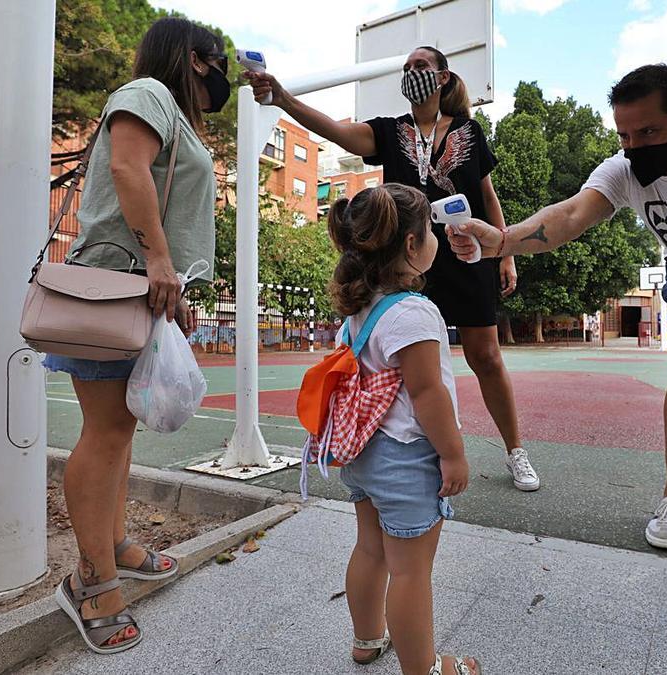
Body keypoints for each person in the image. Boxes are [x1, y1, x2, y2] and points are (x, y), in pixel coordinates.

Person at [448, 64, 667, 563]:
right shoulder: (624, 168)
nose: (636, 146)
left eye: (650, 131)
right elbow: (569, 215)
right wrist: (502, 241)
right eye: (626, 135)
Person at [245, 47, 541, 492]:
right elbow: (339, 132)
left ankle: (516, 450)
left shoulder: (469, 131)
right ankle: (387, 446)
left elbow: (488, 196)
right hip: (405, 257)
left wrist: (507, 251)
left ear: (442, 77)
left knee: (486, 356)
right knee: (399, 356)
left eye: (421, 67)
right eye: (406, 68)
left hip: (466, 253)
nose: (411, 73)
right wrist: (284, 100)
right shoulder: (389, 131)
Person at [43, 17, 224, 653]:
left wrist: (172, 287)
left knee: (119, 430)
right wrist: (159, 262)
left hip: (138, 288)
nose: (218, 82)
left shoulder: (164, 104)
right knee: (106, 432)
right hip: (115, 284)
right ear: (195, 60)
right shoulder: (148, 92)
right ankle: (90, 582)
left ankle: (113, 547)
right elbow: (128, 168)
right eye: (215, 66)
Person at [326, 184, 481, 675]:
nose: (436, 239)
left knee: (370, 549)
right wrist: (453, 455)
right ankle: (426, 669)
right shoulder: (413, 312)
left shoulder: (360, 310)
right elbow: (427, 393)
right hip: (406, 456)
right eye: (431, 232)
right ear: (413, 247)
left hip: (363, 453)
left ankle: (367, 639)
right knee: (412, 571)